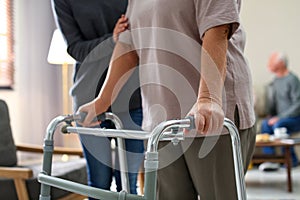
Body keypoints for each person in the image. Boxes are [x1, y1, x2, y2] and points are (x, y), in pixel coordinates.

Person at [78, 0, 256, 199]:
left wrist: (209, 97)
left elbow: (217, 29)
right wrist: (102, 100)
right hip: (161, 120)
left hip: (210, 114)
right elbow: (128, 45)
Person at [51, 0, 145, 196]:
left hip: (132, 99)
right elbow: (75, 49)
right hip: (88, 98)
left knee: (127, 184)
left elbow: (137, 36)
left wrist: (121, 39)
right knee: (99, 183)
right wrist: (112, 40)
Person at [259, 52, 300, 171]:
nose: (268, 64)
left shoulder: (292, 80)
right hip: (281, 117)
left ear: (281, 63)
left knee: (279, 125)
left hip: (295, 117)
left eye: (272, 62)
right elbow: (275, 102)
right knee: (265, 124)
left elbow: (298, 104)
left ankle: (292, 161)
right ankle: (272, 160)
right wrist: (270, 115)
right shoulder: (276, 81)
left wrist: (280, 117)